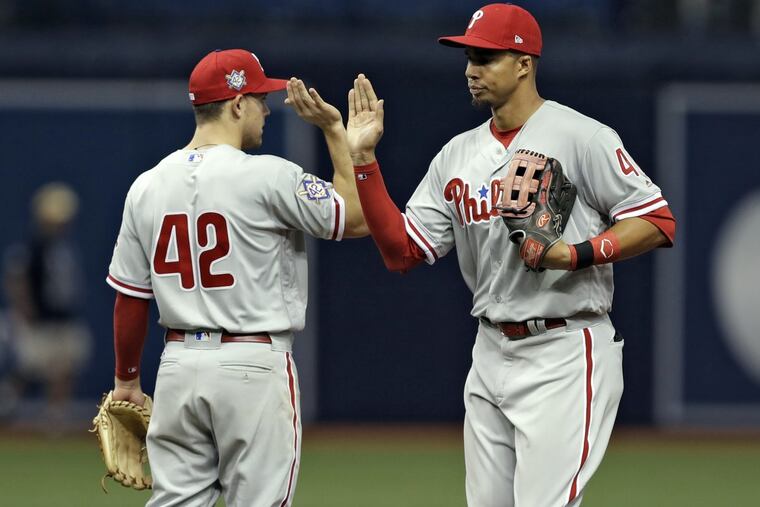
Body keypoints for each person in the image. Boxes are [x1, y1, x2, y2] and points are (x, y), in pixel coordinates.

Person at [346, 4, 676, 507]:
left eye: (485, 58)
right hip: (490, 350)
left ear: (524, 63)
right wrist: (364, 161)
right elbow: (402, 252)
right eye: (468, 59)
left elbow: (656, 221)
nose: (470, 71)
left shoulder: (581, 136)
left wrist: (576, 253)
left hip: (566, 348)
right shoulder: (456, 154)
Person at [105, 48, 367, 506]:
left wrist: (127, 382)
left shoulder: (145, 185)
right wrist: (333, 130)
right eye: (260, 97)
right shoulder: (268, 176)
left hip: (178, 369)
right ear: (237, 104)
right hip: (253, 365)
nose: (267, 108)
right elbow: (357, 217)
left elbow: (131, 297)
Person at [2, 182, 92, 424]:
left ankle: (56, 416)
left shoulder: (64, 247)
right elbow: (17, 277)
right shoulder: (35, 246)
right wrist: (24, 307)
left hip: (63, 317)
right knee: (28, 368)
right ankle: (6, 405)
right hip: (41, 319)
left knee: (64, 367)